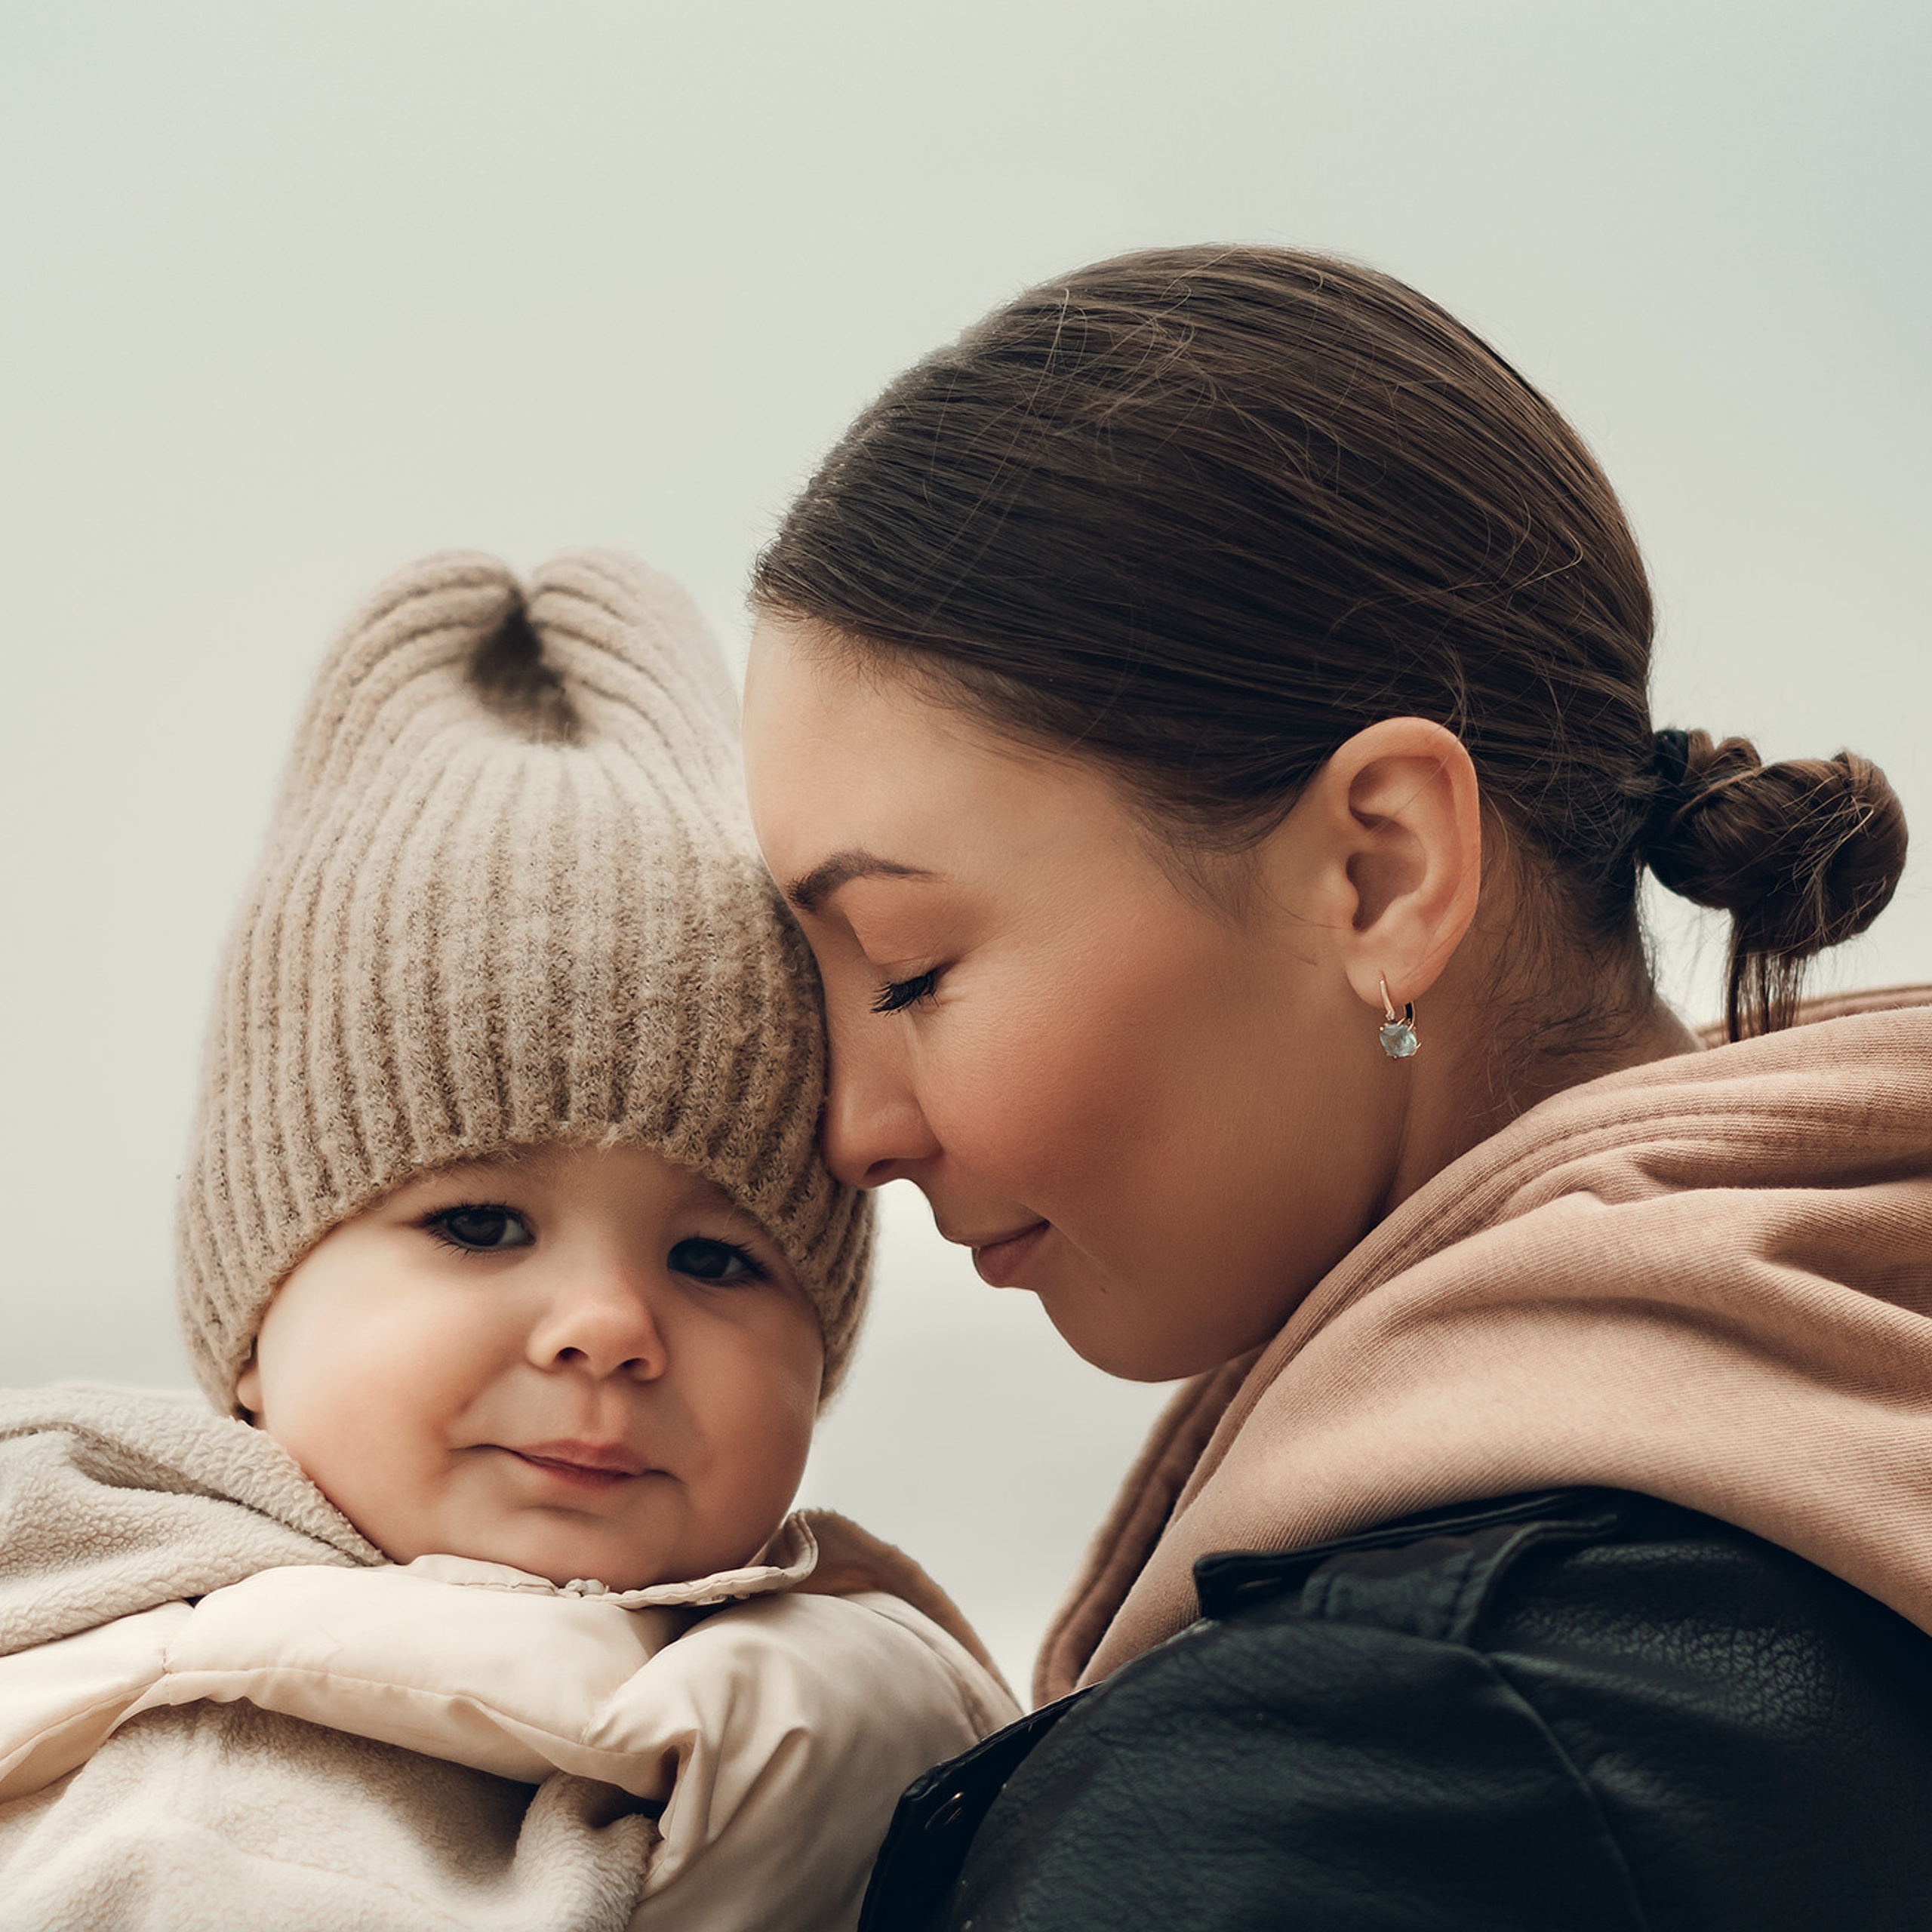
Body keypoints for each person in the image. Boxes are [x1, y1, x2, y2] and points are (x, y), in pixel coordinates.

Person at [740, 246, 1932, 1929]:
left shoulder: (1357, 1774)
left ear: (1374, 874)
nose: (851, 1130)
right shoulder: (1840, 1456)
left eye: (908, 966)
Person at [0, 550, 1015, 1930]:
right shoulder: (193, 1805)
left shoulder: (871, 1714)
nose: (606, 1324)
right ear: (252, 1324)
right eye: (478, 1224)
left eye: (717, 1258)